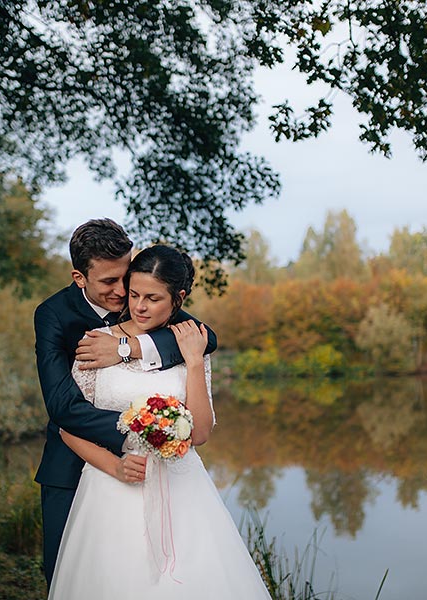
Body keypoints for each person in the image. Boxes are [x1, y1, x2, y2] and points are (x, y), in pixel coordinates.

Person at [47, 245, 272, 599]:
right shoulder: (96, 343)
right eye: (134, 294)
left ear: (177, 298)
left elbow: (199, 433)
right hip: (111, 488)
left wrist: (195, 363)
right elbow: (67, 426)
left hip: (182, 489)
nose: (138, 305)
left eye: (152, 298)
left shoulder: (189, 345)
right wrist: (115, 465)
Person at [34, 219, 217, 587]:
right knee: (68, 576)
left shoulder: (140, 298)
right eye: (109, 282)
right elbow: (63, 408)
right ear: (79, 277)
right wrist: (142, 431)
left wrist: (128, 347)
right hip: (73, 468)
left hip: (161, 474)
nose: (123, 293)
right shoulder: (53, 315)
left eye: (127, 278)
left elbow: (204, 338)